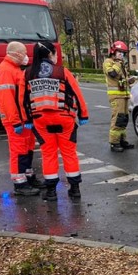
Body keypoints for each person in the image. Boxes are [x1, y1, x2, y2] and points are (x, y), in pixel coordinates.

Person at [23, 41, 89, 201]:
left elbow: (23, 99)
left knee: (48, 154)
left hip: (41, 121)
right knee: (69, 153)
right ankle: (75, 190)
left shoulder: (28, 73)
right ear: (51, 54)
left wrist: (26, 119)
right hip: (64, 118)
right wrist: (83, 115)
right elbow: (77, 94)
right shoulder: (62, 72)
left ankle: (51, 191)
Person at [0, 41, 46, 196]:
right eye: (23, 53)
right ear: (15, 54)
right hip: (15, 120)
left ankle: (28, 176)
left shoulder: (14, 69)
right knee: (18, 151)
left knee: (27, 147)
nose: (26, 57)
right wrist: (15, 120)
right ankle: (20, 183)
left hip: (23, 119)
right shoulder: (5, 71)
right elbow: (7, 100)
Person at [103, 41, 136, 152]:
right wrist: (118, 63)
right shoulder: (108, 62)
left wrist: (129, 80)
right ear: (114, 52)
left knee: (124, 119)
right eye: (120, 52)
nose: (122, 55)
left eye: (123, 53)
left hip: (124, 95)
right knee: (117, 119)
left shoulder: (121, 64)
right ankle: (114, 142)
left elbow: (121, 80)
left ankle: (122, 140)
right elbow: (112, 74)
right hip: (116, 96)